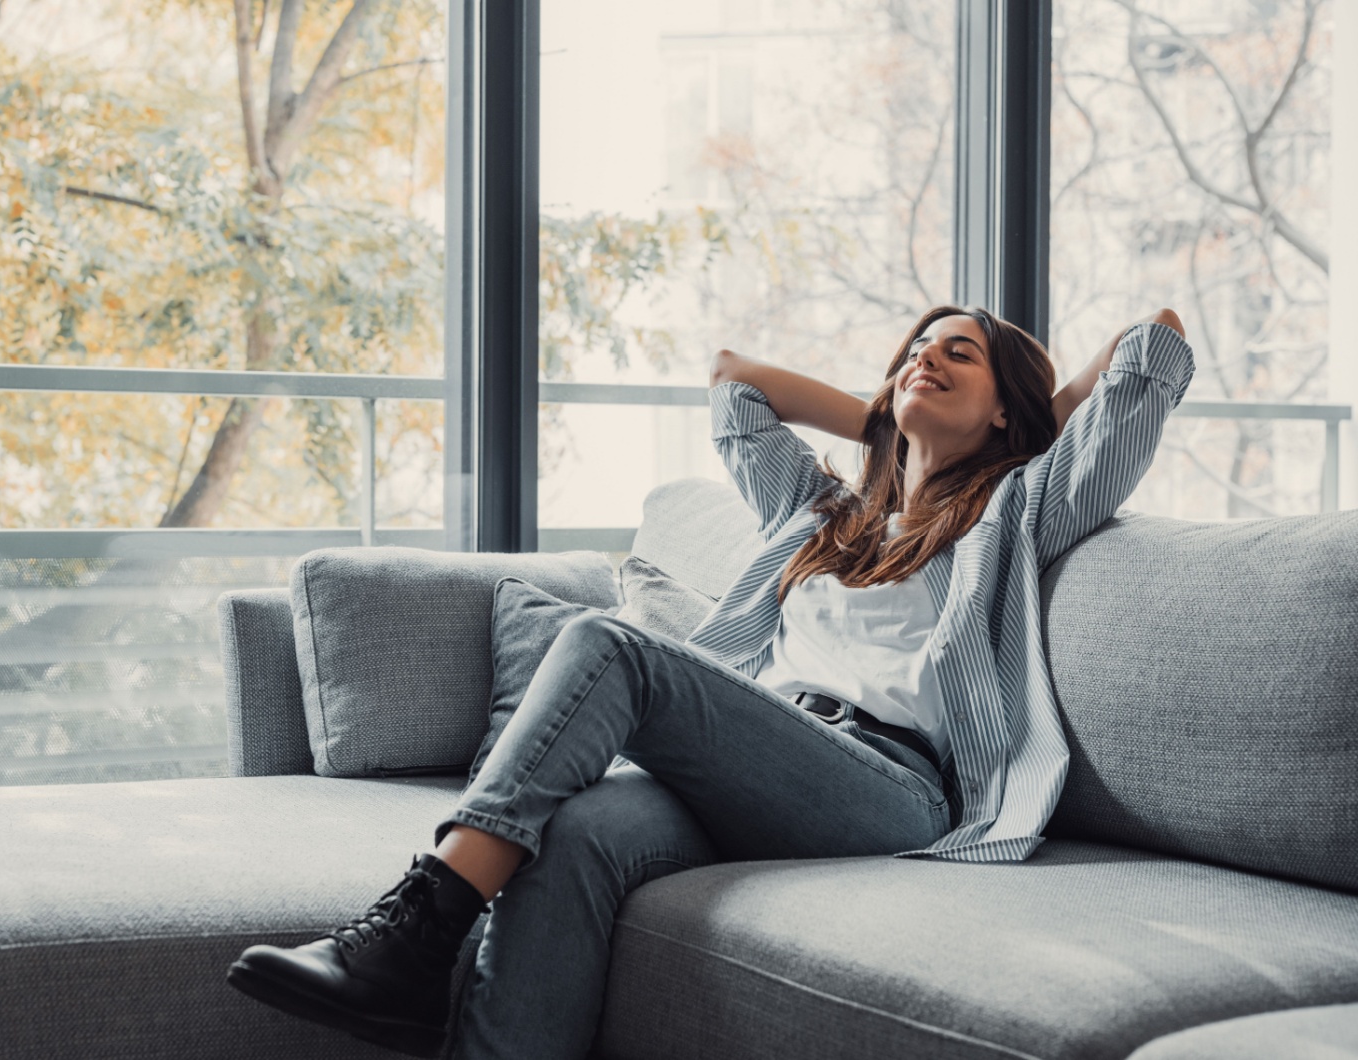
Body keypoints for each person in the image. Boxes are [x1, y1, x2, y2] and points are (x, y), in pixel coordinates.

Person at [225, 305, 1195, 1059]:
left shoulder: (1018, 507)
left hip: (891, 788)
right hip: (766, 757)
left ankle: (414, 929)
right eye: (914, 348)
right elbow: (732, 383)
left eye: (958, 355)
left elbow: (1154, 345)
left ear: (1003, 408)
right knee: (577, 831)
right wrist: (883, 418)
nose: (924, 359)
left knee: (613, 645)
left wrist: (1036, 419)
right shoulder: (820, 513)